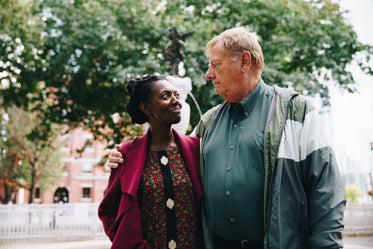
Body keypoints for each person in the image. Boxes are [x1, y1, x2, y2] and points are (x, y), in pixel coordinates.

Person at [107, 27, 346, 249]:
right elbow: (170, 159)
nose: (208, 74)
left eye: (216, 65)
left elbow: (325, 188)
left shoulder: (297, 111)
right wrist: (123, 156)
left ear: (244, 61)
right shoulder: (207, 122)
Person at [98, 74, 204, 249]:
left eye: (177, 95)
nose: (176, 101)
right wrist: (128, 243)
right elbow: (108, 210)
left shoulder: (196, 149)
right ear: (146, 108)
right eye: (165, 96)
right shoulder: (126, 154)